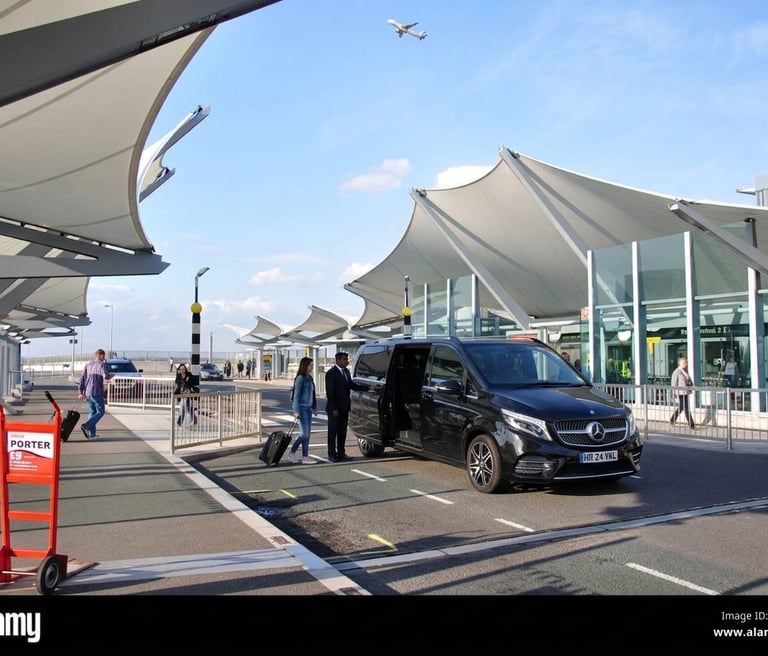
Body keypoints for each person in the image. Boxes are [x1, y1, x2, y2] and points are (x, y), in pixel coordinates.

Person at [77, 348, 114, 440]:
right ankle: (86, 426)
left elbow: (81, 379)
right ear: (101, 355)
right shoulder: (102, 364)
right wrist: (111, 375)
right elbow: (106, 376)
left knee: (92, 411)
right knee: (101, 412)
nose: (104, 357)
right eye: (103, 355)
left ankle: (92, 434)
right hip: (97, 392)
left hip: (88, 392)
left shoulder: (88, 365)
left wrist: (80, 392)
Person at [288, 357, 318, 464]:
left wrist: (314, 407)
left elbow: (313, 394)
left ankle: (305, 456)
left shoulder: (310, 378)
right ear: (305, 366)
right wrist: (296, 411)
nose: (312, 367)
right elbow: (296, 396)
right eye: (311, 365)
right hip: (302, 408)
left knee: (307, 434)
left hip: (309, 408)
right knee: (304, 434)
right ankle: (292, 451)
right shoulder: (300, 378)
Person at [325, 351, 352, 462]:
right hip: (335, 409)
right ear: (338, 360)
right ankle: (332, 453)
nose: (346, 361)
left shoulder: (347, 372)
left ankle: (341, 452)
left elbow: (351, 385)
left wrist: (367, 388)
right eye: (344, 359)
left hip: (344, 407)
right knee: (333, 432)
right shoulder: (331, 373)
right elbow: (330, 393)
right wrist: (334, 408)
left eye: (347, 359)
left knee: (342, 432)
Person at [670, 355, 695, 429]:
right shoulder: (676, 372)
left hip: (686, 392)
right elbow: (673, 383)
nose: (685, 364)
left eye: (686, 363)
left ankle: (672, 419)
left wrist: (690, 384)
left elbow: (690, 381)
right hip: (680, 393)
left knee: (682, 407)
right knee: (685, 408)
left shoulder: (685, 372)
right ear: (680, 364)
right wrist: (674, 393)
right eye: (683, 363)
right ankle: (691, 424)